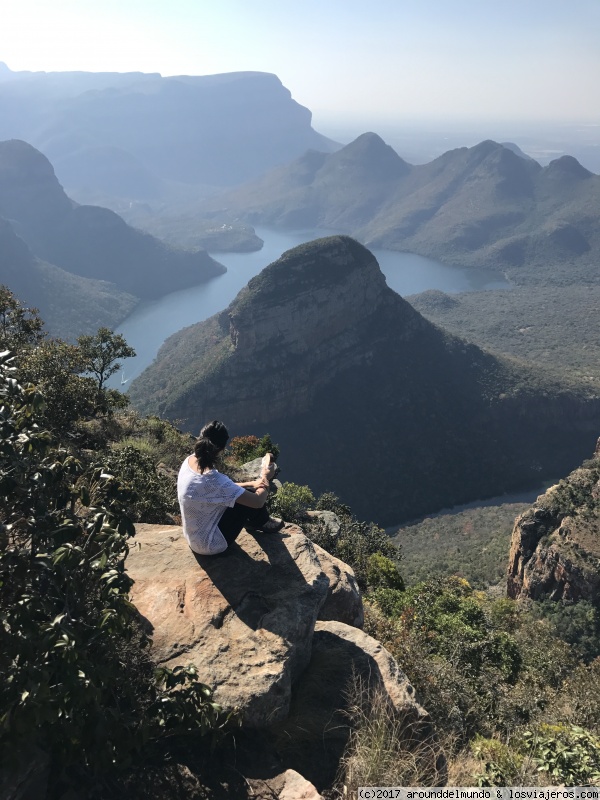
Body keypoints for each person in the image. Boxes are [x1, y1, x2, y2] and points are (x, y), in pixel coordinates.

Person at [177, 420, 284, 556]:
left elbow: (219, 489)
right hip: (210, 545)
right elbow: (258, 501)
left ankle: (258, 522)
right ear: (221, 449)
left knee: (243, 492)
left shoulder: (189, 461)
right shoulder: (213, 479)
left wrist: (251, 482)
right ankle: (261, 522)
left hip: (193, 536)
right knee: (248, 497)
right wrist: (265, 476)